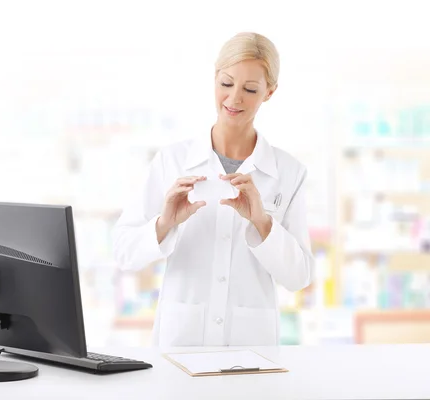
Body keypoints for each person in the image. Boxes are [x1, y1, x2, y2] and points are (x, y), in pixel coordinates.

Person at [112, 32, 314, 347]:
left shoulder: (289, 173)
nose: (234, 99)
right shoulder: (173, 161)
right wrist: (165, 223)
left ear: (269, 92)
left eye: (250, 89)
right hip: (181, 341)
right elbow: (124, 252)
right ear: (214, 78)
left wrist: (262, 222)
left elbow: (299, 277)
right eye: (226, 84)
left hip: (251, 345)